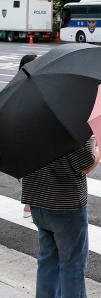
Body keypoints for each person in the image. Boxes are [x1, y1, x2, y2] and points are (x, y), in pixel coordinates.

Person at [21, 139, 99, 297]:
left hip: (37, 200)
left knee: (47, 262)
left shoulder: (29, 122)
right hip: (66, 204)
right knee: (72, 266)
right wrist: (98, 152)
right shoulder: (68, 126)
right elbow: (85, 165)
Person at [18, 54, 38, 220]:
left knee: (33, 170)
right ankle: (29, 205)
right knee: (32, 170)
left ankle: (29, 205)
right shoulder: (25, 86)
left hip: (29, 132)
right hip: (28, 133)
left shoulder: (19, 85)